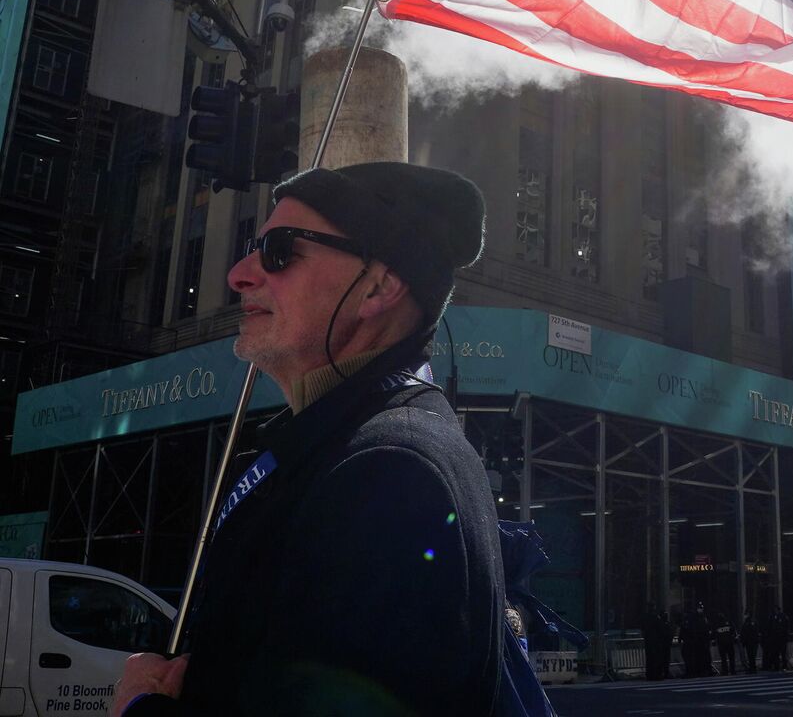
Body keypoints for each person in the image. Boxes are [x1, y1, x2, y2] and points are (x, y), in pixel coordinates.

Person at [109, 163, 504, 716]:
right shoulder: (342, 449)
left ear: (378, 287)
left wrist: (139, 709)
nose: (240, 273)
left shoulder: (390, 472)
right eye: (254, 246)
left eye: (280, 251)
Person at [643, 605, 673, 681]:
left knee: (650, 659)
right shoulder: (656, 618)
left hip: (649, 642)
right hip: (656, 642)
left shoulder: (646, 618)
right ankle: (656, 675)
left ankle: (650, 675)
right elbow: (661, 630)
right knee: (656, 659)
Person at [713, 611, 737, 675]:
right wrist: (733, 639)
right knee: (731, 658)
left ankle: (725, 671)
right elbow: (733, 632)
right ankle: (732, 670)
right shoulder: (729, 622)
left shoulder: (717, 624)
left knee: (724, 659)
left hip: (722, 644)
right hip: (729, 643)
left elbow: (715, 634)